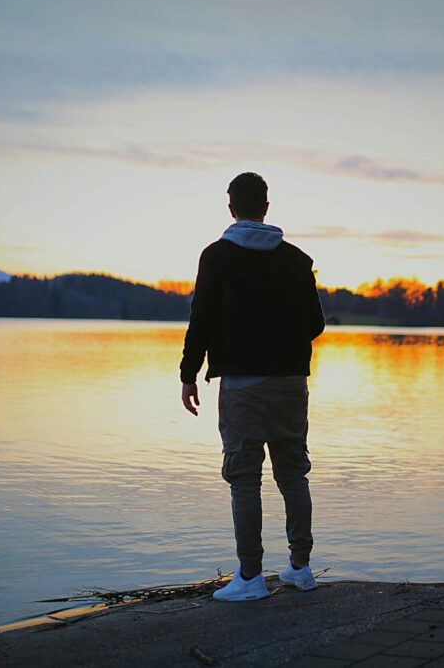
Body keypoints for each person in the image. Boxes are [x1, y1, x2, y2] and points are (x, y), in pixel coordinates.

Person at [179, 172, 325, 602]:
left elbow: (201, 319)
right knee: (293, 473)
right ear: (266, 206)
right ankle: (301, 568)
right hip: (291, 383)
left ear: (231, 208)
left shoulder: (217, 256)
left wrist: (189, 374)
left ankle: (250, 577)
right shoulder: (297, 259)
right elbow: (315, 323)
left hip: (243, 385)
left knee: (245, 477)